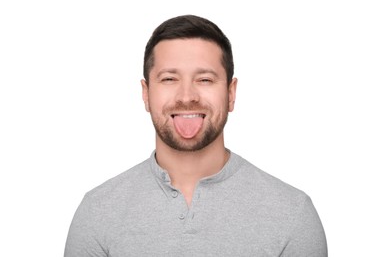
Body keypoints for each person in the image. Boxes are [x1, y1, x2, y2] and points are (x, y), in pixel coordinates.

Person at [64, 14, 327, 256]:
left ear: (231, 93)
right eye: (169, 79)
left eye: (204, 80)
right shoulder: (98, 212)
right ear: (146, 94)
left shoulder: (292, 214)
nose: (187, 96)